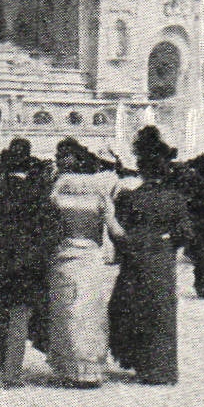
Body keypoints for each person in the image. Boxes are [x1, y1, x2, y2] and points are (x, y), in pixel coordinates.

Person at [107, 127, 192, 385]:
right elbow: (186, 233)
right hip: (162, 260)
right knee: (161, 311)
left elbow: (118, 233)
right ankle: (162, 369)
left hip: (135, 258)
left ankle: (139, 362)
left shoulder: (131, 198)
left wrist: (130, 246)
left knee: (132, 308)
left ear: (142, 169)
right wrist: (167, 244)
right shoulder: (175, 199)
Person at [38, 138, 124, 387]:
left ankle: (68, 367)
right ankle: (90, 369)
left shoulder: (58, 189)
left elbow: (48, 225)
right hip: (91, 257)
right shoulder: (99, 193)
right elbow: (114, 230)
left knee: (67, 311)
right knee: (90, 311)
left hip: (64, 254)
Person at [0, 139, 51, 386]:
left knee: (2, 313)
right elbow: (47, 229)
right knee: (20, 314)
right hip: (27, 261)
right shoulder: (37, 193)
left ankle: (4, 361)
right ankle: (12, 369)